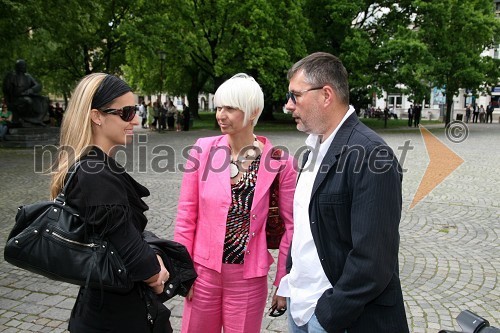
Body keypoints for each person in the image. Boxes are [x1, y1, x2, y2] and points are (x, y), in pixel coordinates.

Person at [277, 52, 409, 333]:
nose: (288, 106)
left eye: (295, 96)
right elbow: (304, 228)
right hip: (301, 308)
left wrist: (326, 316)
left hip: (342, 319)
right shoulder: (314, 146)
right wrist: (290, 280)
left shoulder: (373, 155)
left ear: (326, 95)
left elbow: (373, 260)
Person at [49, 73, 172, 333]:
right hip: (114, 317)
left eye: (135, 110)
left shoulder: (93, 167)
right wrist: (157, 273)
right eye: (126, 112)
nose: (136, 119)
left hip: (107, 306)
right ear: (97, 116)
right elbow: (132, 253)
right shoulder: (94, 172)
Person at [174, 73, 296, 333]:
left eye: (230, 108)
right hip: (203, 272)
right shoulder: (202, 150)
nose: (220, 114)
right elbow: (186, 216)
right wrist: (183, 271)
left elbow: (291, 227)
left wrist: (282, 282)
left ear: (252, 112)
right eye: (219, 107)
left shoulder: (280, 162)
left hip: (248, 279)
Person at [2, 59, 48, 126]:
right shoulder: (11, 76)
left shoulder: (28, 76)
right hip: (16, 99)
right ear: (18, 67)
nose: (24, 67)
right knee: (27, 101)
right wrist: (8, 101)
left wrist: (31, 90)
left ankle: (38, 119)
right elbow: (6, 90)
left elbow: (38, 85)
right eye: (23, 66)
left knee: (45, 99)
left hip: (29, 96)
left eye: (25, 66)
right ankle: (26, 119)